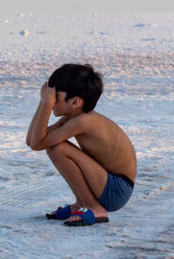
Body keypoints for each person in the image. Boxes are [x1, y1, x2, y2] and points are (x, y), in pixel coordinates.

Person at [25, 63, 136, 226]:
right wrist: (43, 103)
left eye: (56, 97)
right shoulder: (74, 118)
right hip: (107, 182)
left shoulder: (83, 121)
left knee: (58, 148)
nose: (52, 100)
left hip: (116, 189)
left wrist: (46, 106)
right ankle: (81, 203)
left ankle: (94, 207)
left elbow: (37, 143)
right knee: (54, 146)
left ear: (76, 102)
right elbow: (32, 140)